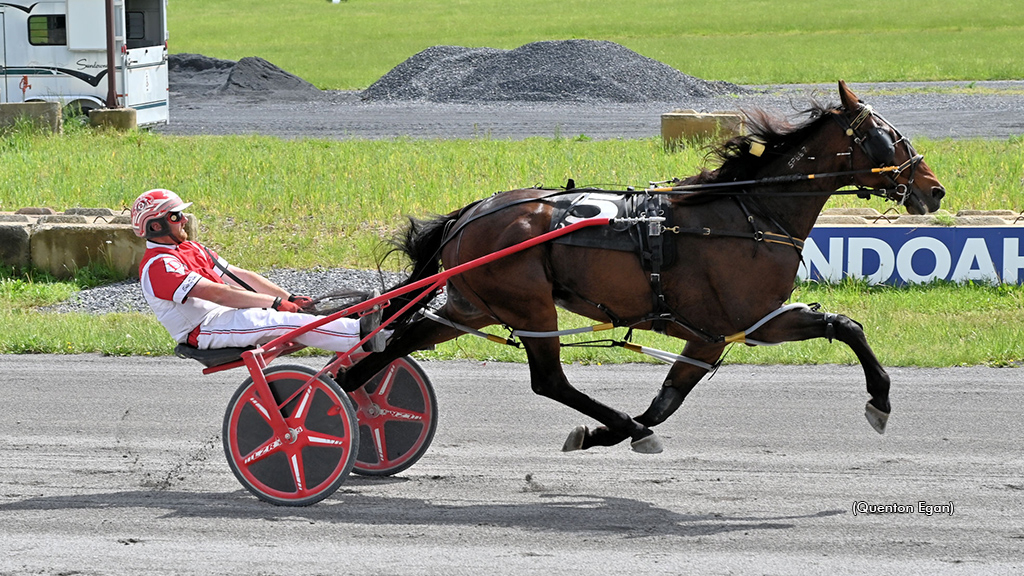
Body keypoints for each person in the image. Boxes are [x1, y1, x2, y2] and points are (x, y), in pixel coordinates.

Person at [130, 188, 384, 353]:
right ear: (155, 226)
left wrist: (290, 298)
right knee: (282, 321)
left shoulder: (191, 248)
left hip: (225, 317)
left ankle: (362, 328)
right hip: (203, 330)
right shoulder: (159, 266)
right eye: (176, 216)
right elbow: (219, 294)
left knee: (292, 314)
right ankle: (362, 335)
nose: (184, 219)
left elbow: (239, 277)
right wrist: (275, 304)